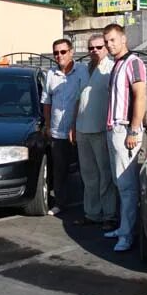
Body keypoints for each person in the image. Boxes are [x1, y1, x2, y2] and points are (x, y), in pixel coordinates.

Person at [102, 23, 147, 252]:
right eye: (106, 41)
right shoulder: (116, 64)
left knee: (128, 186)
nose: (109, 45)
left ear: (123, 39)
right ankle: (123, 227)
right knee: (120, 183)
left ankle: (128, 235)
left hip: (125, 131)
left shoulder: (133, 63)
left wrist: (134, 129)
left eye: (112, 40)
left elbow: (140, 96)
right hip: (113, 131)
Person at [75, 34, 118, 230]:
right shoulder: (83, 69)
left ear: (106, 48)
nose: (95, 51)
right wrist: (72, 126)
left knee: (105, 174)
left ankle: (109, 215)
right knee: (88, 174)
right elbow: (78, 98)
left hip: (101, 128)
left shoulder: (111, 68)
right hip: (82, 128)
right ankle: (91, 213)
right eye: (91, 48)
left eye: (98, 47)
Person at [41, 38, 88, 216]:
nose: (59, 55)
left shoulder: (82, 71)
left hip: (80, 130)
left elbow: (84, 98)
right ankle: (60, 203)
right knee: (59, 170)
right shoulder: (51, 74)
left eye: (63, 52)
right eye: (56, 52)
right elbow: (46, 101)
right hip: (57, 132)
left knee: (85, 169)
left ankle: (88, 205)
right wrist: (47, 125)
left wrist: (76, 126)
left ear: (71, 52)